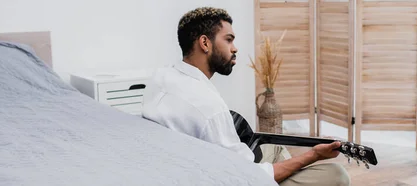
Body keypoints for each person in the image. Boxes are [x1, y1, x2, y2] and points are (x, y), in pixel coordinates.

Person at [141, 7, 350, 186]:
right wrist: (314, 154)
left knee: (272, 146)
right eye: (229, 40)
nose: (235, 48)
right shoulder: (209, 108)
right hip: (228, 178)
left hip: (183, 168)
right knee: (337, 174)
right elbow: (250, 177)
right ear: (205, 43)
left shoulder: (162, 77)